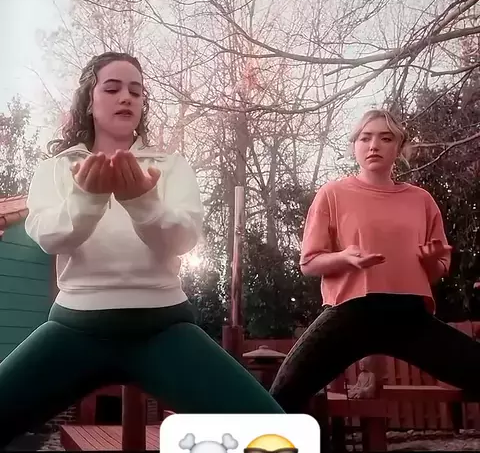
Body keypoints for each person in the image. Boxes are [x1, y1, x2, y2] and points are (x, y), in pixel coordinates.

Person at [0, 51, 283, 447]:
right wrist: (88, 199)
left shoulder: (170, 166)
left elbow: (182, 239)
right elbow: (50, 237)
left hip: (163, 328)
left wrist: (142, 202)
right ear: (89, 101)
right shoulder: (56, 169)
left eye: (136, 91)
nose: (126, 97)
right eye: (112, 88)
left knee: (276, 437)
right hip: (75, 328)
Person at [269, 109, 480, 414]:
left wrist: (431, 261)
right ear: (354, 145)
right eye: (365, 138)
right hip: (351, 313)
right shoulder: (333, 193)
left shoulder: (421, 200)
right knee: (282, 395)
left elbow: (436, 273)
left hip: (409, 316)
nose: (374, 146)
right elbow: (309, 263)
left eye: (386, 138)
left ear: (399, 147)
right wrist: (344, 258)